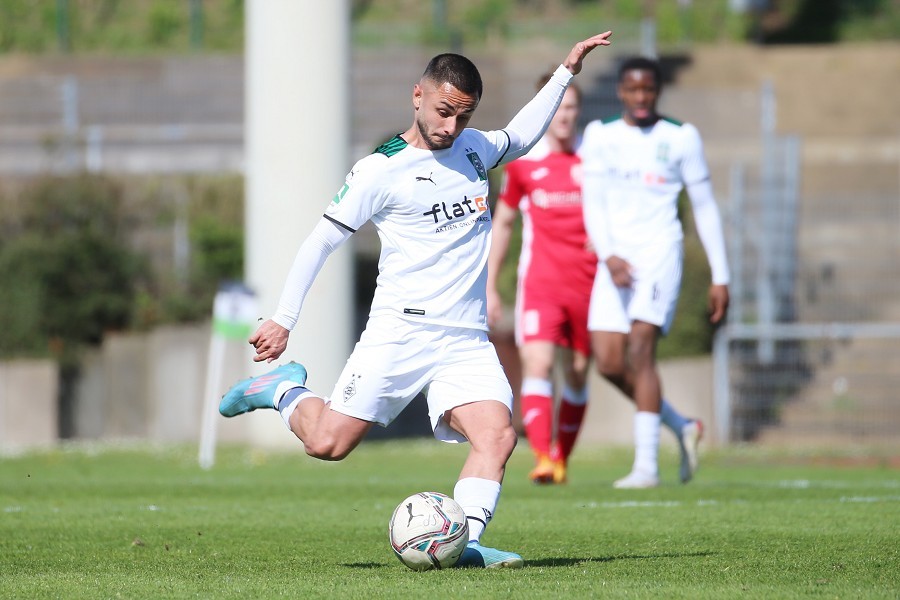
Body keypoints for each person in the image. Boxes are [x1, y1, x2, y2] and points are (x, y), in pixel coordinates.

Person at [218, 32, 613, 569]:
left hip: (465, 339)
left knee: (496, 437)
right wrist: (285, 320)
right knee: (328, 445)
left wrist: (567, 70)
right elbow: (322, 241)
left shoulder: (474, 149)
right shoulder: (379, 170)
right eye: (445, 111)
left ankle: (464, 548)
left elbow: (519, 137)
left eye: (464, 116)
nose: (451, 127)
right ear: (418, 96)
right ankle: (284, 391)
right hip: (400, 332)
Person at [580, 56, 730, 489]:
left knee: (641, 351)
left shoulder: (681, 137)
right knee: (608, 363)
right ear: (622, 92)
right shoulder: (600, 135)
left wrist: (721, 275)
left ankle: (646, 466)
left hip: (659, 254)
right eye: (633, 89)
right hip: (615, 260)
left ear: (658, 91)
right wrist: (608, 255)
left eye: (649, 89)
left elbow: (703, 206)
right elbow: (593, 201)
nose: (641, 97)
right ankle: (681, 425)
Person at [486, 74, 595, 485]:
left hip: (590, 287)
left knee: (579, 372)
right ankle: (544, 457)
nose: (565, 117)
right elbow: (505, 223)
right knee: (539, 363)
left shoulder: (595, 158)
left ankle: (562, 456)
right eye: (559, 109)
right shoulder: (524, 165)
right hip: (542, 285)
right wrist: (491, 282)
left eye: (571, 109)